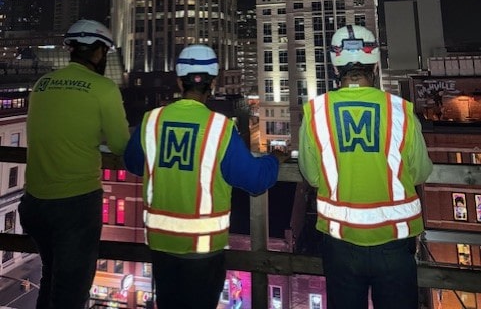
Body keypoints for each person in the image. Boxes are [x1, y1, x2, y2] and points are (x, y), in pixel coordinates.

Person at [124, 43, 286, 309]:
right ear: (213, 82)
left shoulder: (151, 120)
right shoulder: (219, 127)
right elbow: (256, 181)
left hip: (161, 244)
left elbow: (132, 162)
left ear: (178, 80)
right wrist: (274, 159)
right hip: (203, 250)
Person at [298, 24, 433, 309]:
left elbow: (311, 176)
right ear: (374, 65)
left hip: (340, 242)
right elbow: (421, 172)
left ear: (336, 68)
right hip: (394, 242)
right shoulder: (400, 110)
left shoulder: (316, 112)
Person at [19, 19, 131, 309]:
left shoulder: (42, 85)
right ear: (97, 53)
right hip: (75, 206)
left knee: (50, 279)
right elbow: (120, 145)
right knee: (71, 293)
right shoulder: (103, 88)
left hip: (35, 203)